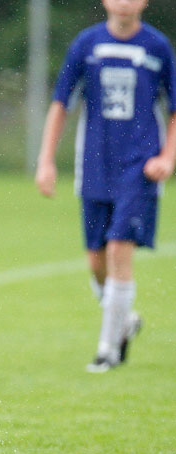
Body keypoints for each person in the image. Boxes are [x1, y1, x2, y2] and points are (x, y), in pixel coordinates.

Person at [35, 0, 176, 372]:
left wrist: (168, 157)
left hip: (139, 166)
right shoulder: (86, 44)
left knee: (118, 250)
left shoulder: (157, 47)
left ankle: (107, 350)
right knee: (96, 259)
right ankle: (124, 321)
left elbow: (174, 107)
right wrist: (46, 160)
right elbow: (60, 102)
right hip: (95, 166)